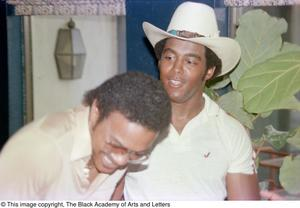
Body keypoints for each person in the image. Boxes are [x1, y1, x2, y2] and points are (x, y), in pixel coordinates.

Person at [114, 2, 260, 200]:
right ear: (159, 62)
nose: (176, 70)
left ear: (209, 71)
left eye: (190, 61)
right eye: (169, 57)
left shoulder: (230, 132)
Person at [0, 71, 171, 200]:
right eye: (115, 145)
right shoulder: (41, 150)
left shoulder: (122, 146)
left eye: (136, 153)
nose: (121, 161)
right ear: (96, 110)